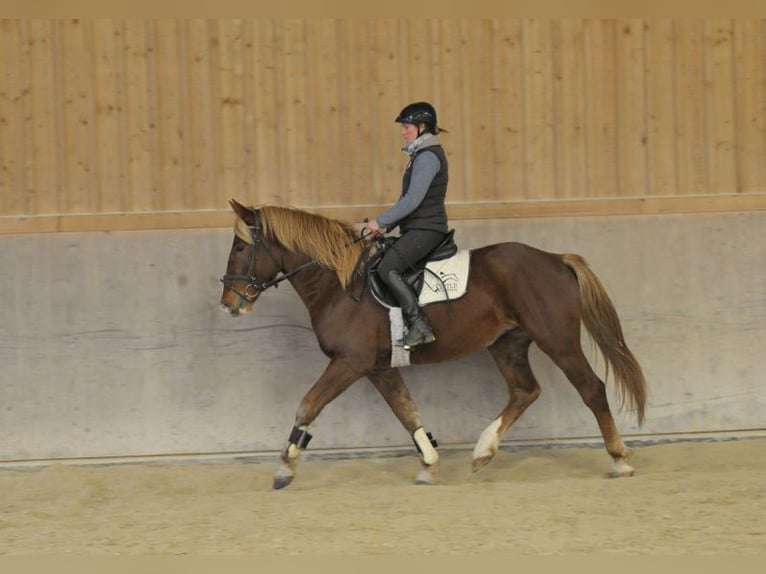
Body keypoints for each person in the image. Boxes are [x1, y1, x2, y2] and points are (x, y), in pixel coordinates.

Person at [364, 101, 449, 349]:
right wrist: (385, 227)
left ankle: (419, 325)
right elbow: (407, 201)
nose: (403, 131)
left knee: (388, 267)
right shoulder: (420, 156)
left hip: (428, 229)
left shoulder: (427, 157)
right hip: (418, 227)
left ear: (422, 127)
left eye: (407, 126)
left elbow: (413, 200)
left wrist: (380, 221)